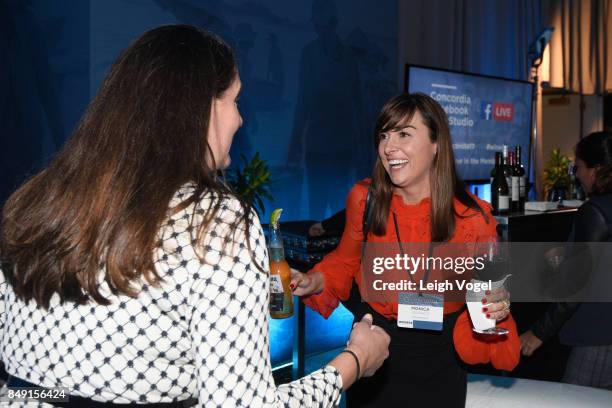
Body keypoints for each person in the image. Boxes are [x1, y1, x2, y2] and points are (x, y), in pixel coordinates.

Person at [0, 25, 390, 406]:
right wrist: (352, 362)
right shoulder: (215, 223)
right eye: (235, 101)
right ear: (201, 107)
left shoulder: (37, 202)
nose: (240, 119)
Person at [291, 93, 512, 407]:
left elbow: (487, 296)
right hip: (376, 351)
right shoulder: (364, 200)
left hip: (439, 359)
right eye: (384, 136)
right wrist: (317, 280)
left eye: (404, 134)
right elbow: (345, 260)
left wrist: (494, 305)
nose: (388, 147)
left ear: (437, 144)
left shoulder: (474, 218)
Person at [520, 131, 612, 390]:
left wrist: (538, 332)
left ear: (596, 169)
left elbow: (574, 286)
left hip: (597, 339)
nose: (578, 175)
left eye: (579, 167)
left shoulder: (594, 211)